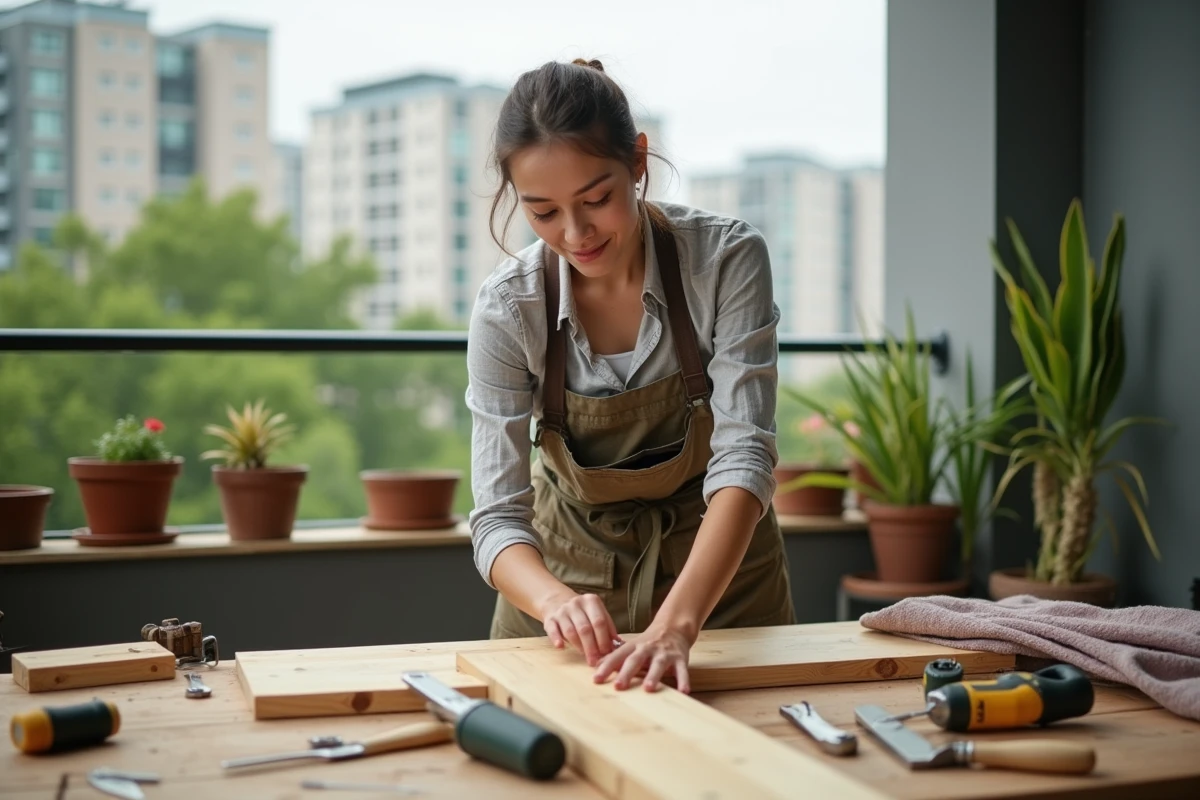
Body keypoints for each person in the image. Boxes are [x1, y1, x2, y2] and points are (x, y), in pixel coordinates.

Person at [465, 58, 795, 694]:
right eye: (542, 212)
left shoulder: (726, 260)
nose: (575, 233)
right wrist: (555, 600)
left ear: (638, 162)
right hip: (565, 604)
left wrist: (678, 624)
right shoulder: (508, 308)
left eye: (597, 199)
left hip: (721, 595)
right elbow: (498, 518)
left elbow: (745, 457)